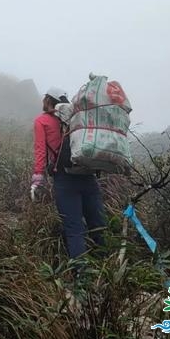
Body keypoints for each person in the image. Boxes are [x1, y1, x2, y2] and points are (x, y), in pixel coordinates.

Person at [31, 87, 106, 260]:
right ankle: (107, 267)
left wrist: (38, 178)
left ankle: (81, 276)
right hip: (88, 176)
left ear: (49, 101)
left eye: (45, 98)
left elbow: (40, 151)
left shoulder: (42, 121)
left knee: (74, 229)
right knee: (98, 224)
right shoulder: (77, 118)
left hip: (65, 179)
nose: (43, 101)